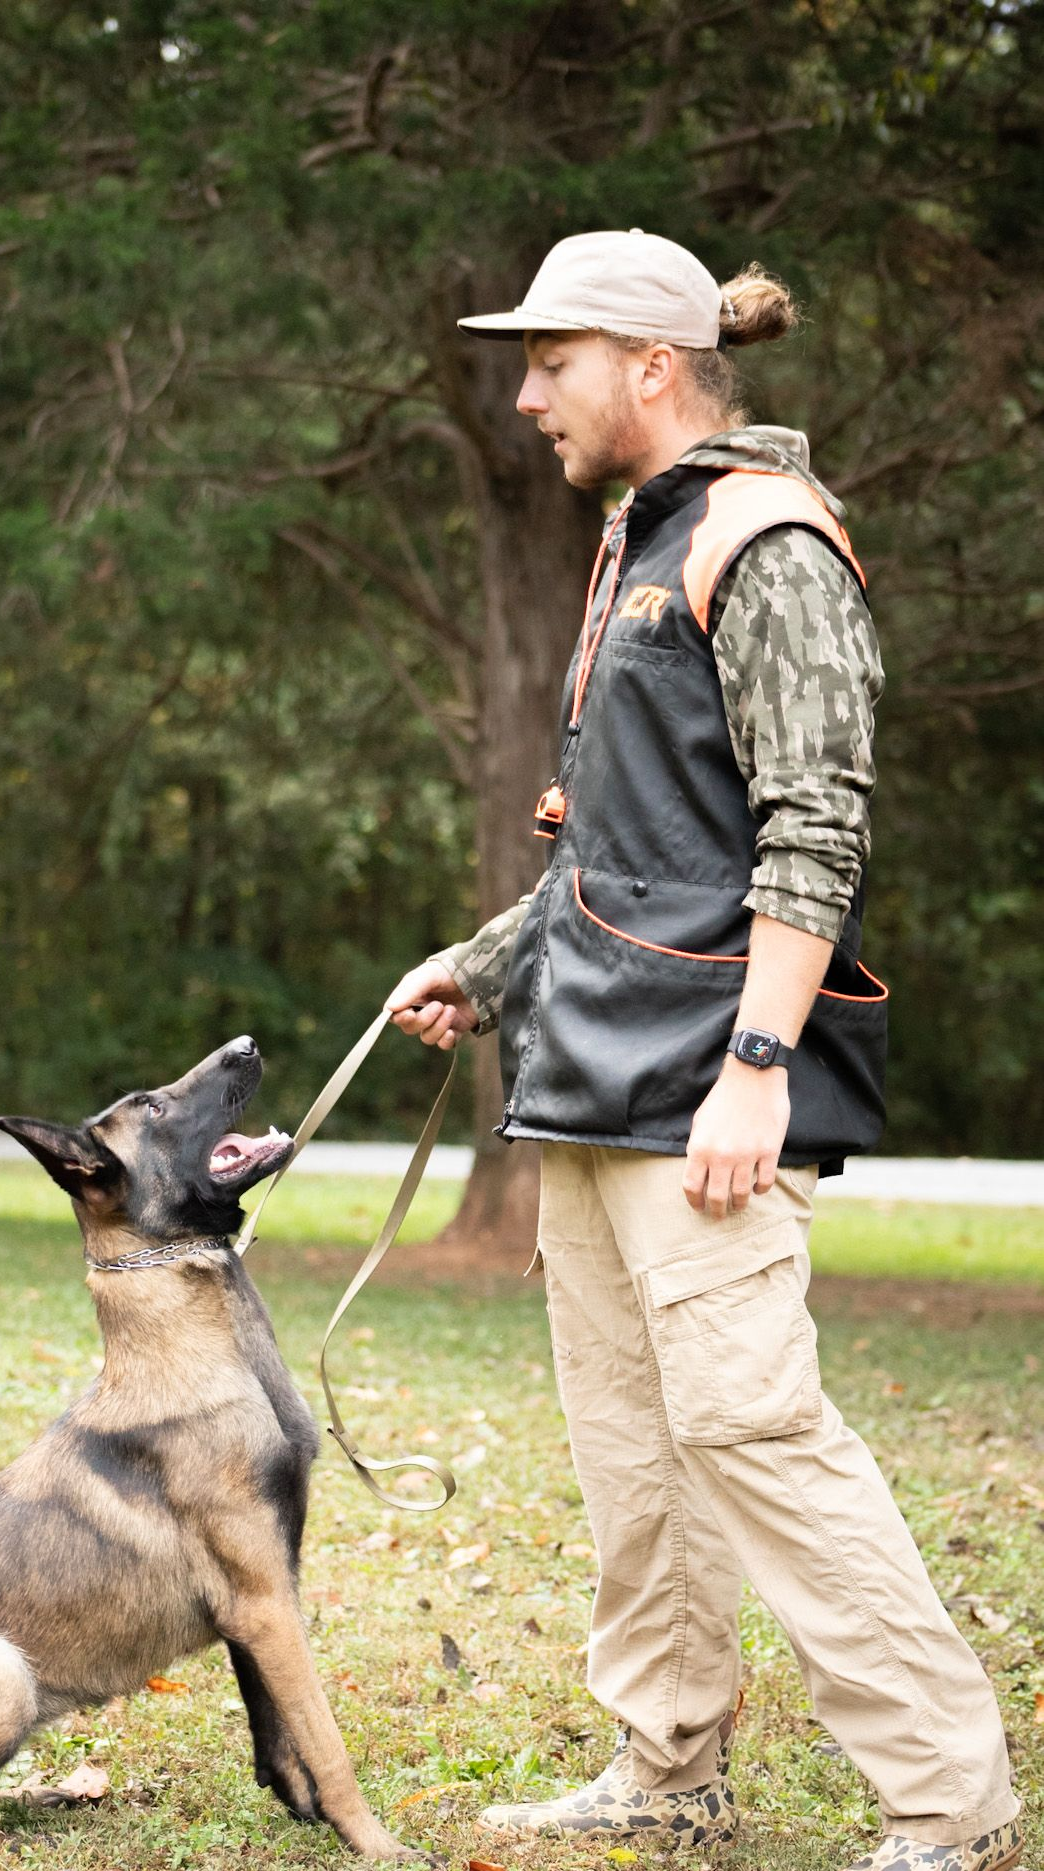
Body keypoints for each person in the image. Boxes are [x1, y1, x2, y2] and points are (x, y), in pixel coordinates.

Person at [385, 231, 1022, 1871]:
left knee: (750, 1427)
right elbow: (622, 838)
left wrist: (757, 1059)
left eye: (552, 362)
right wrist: (484, 961)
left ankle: (946, 1801)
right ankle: (667, 1770)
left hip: (707, 1085)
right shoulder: (637, 539)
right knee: (634, 1446)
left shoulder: (770, 539)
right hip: (592, 1073)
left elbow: (818, 824)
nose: (524, 393)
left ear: (649, 367)